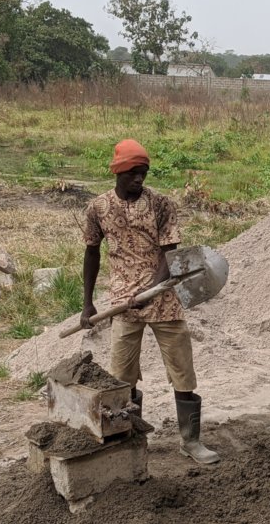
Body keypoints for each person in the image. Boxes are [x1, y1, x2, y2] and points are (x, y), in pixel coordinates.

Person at [79, 139, 218, 464]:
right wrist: (88, 303)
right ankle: (130, 440)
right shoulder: (98, 208)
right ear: (118, 171)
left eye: (144, 172)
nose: (139, 179)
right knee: (121, 376)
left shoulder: (161, 205)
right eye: (133, 173)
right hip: (123, 305)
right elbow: (90, 253)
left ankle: (190, 441)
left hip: (165, 303)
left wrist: (150, 291)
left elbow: (171, 254)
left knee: (182, 371)